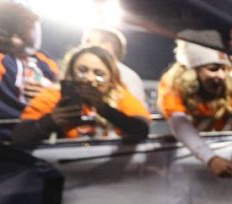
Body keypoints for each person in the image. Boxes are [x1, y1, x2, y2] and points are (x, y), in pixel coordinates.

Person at [158, 30, 232, 182]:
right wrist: (210, 158)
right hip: (197, 160)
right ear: (192, 72)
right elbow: (180, 125)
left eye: (223, 68)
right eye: (213, 69)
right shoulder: (173, 85)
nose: (221, 75)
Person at [12, 45, 150, 149]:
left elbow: (142, 130)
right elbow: (19, 137)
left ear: (111, 79)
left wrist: (104, 109)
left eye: (99, 73)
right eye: (82, 70)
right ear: (71, 73)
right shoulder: (54, 95)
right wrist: (51, 121)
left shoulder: (119, 95)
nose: (89, 78)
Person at [0, 2, 58, 127]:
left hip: (48, 135)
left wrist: (52, 93)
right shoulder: (2, 60)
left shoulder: (46, 61)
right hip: (7, 137)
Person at [81, 25, 147, 106]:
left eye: (88, 41)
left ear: (107, 46)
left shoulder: (128, 77)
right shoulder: (82, 71)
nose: (82, 47)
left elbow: (136, 115)